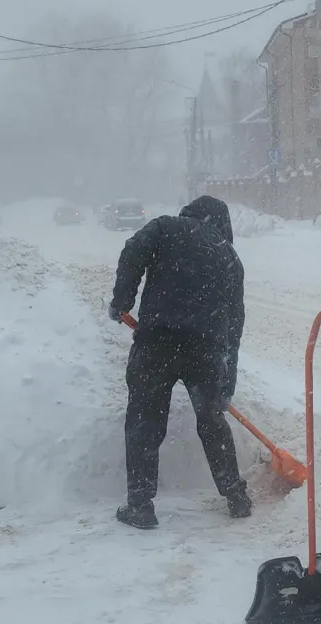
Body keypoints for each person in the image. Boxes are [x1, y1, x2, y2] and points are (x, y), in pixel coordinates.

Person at [107, 195, 250, 530]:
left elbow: (132, 251)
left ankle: (141, 505)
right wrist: (226, 384)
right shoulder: (229, 255)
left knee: (145, 421)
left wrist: (122, 300)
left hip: (158, 343)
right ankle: (236, 497)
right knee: (212, 422)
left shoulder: (166, 227)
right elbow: (235, 324)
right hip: (206, 352)